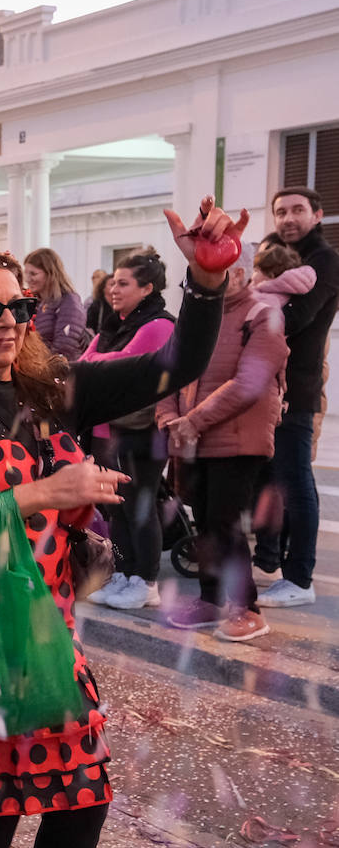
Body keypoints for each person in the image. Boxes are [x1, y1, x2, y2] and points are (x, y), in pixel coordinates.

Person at [0, 196, 239, 848]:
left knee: (83, 802)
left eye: (19, 307)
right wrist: (43, 493)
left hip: (51, 641)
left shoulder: (50, 391)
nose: (10, 323)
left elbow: (175, 366)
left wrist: (208, 281)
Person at [159, 264, 286, 641]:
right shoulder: (195, 317)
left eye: (217, 273)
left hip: (238, 437)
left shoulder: (262, 315)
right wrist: (168, 416)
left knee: (224, 521)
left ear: (242, 272)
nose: (205, 283)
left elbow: (249, 382)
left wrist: (193, 420)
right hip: (194, 439)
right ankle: (211, 600)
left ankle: (247, 607)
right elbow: (170, 370)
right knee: (205, 522)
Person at [254, 187, 339, 607]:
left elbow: (297, 318)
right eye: (281, 211)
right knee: (275, 480)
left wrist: (248, 314)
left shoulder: (324, 260)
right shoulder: (272, 252)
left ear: (317, 214)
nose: (288, 218)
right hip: (266, 385)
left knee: (296, 481)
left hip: (295, 390)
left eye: (297, 210)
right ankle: (275, 560)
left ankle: (300, 578)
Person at [79, 249, 175, 611]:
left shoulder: (159, 324)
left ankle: (146, 580)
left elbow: (123, 364)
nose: (113, 289)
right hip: (108, 427)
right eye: (112, 282)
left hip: (143, 429)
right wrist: (91, 363)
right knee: (117, 506)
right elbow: (87, 359)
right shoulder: (115, 323)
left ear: (147, 288)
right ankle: (122, 571)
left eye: (123, 283)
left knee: (141, 505)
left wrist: (91, 363)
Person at [24, 247, 88, 359]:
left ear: (50, 273)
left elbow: (64, 347)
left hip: (61, 371)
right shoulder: (38, 304)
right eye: (26, 273)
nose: (28, 279)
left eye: (33, 274)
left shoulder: (69, 302)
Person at [251, 238, 315, 310]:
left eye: (256, 270)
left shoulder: (266, 300)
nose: (251, 275)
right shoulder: (273, 293)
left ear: (270, 275)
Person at [84, 269, 111, 336]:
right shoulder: (91, 302)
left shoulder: (117, 303)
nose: (94, 279)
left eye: (98, 276)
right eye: (93, 277)